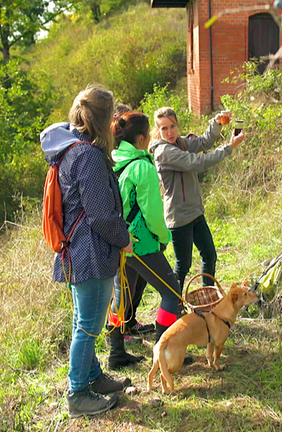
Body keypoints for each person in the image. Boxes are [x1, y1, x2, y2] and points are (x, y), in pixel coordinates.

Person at [40, 86, 133, 418]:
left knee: (85, 320)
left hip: (77, 254)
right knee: (88, 326)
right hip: (90, 256)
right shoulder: (88, 155)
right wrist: (124, 239)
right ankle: (77, 393)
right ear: (104, 117)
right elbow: (98, 214)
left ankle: (93, 376)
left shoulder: (71, 149)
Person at [107, 111, 185, 360]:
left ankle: (116, 353)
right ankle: (165, 351)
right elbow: (152, 212)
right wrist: (163, 238)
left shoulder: (113, 160)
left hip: (121, 241)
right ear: (141, 138)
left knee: (121, 297)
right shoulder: (142, 167)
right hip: (142, 243)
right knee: (171, 294)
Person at [149, 107, 244, 292]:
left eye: (173, 126)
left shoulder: (179, 142)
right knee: (182, 266)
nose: (170, 132)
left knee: (210, 255)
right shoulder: (164, 152)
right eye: (164, 129)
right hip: (179, 217)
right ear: (158, 130)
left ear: (177, 125)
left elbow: (202, 142)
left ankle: (207, 297)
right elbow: (197, 163)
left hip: (195, 212)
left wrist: (216, 124)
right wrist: (230, 147)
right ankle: (174, 305)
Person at [113, 103, 154, 337]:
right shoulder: (129, 161)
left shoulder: (122, 158)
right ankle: (118, 337)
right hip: (129, 235)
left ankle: (128, 325)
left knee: (133, 284)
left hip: (127, 233)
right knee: (123, 288)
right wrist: (161, 235)